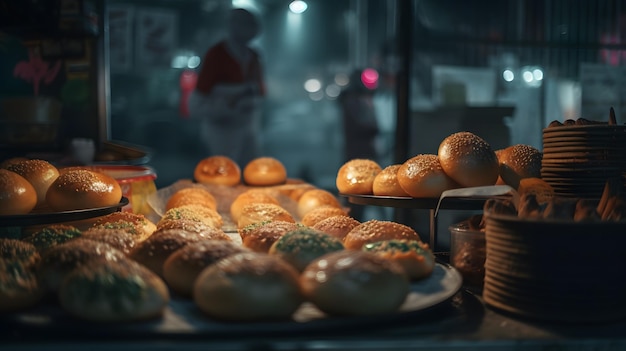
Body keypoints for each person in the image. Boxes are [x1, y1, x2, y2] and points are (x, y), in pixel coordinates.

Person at [190, 8, 265, 167]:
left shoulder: (254, 56)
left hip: (248, 124)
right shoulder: (217, 54)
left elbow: (260, 90)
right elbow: (199, 98)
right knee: (223, 171)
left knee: (249, 169)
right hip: (221, 129)